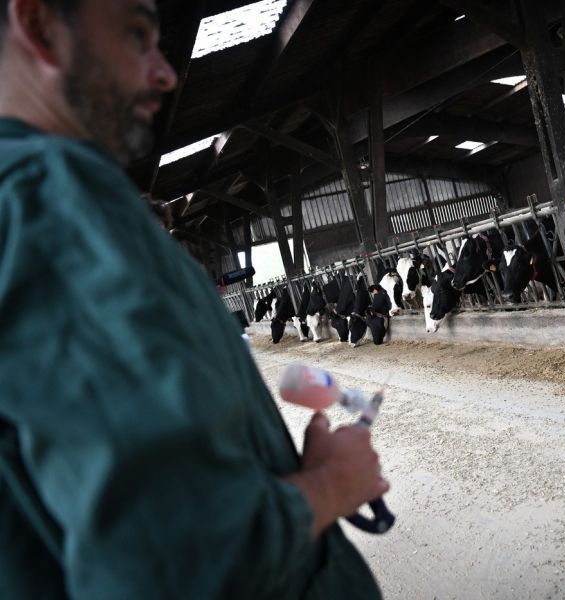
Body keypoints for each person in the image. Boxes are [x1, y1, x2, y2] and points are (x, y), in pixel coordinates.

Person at [0, 1, 388, 598]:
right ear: (40, 25)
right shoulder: (53, 206)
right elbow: (172, 564)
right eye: (135, 34)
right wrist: (335, 483)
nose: (164, 72)